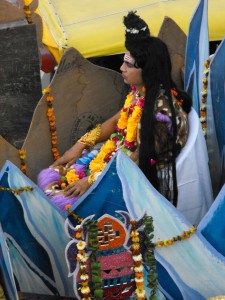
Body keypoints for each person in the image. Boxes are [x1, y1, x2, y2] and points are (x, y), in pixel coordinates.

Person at [38, 11, 192, 211]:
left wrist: (92, 181)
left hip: (134, 177)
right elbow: (114, 122)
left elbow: (136, 161)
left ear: (147, 70)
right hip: (116, 159)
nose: (121, 68)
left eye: (128, 65)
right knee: (51, 174)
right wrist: (79, 145)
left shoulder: (162, 116)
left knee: (61, 200)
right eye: (123, 61)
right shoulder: (140, 93)